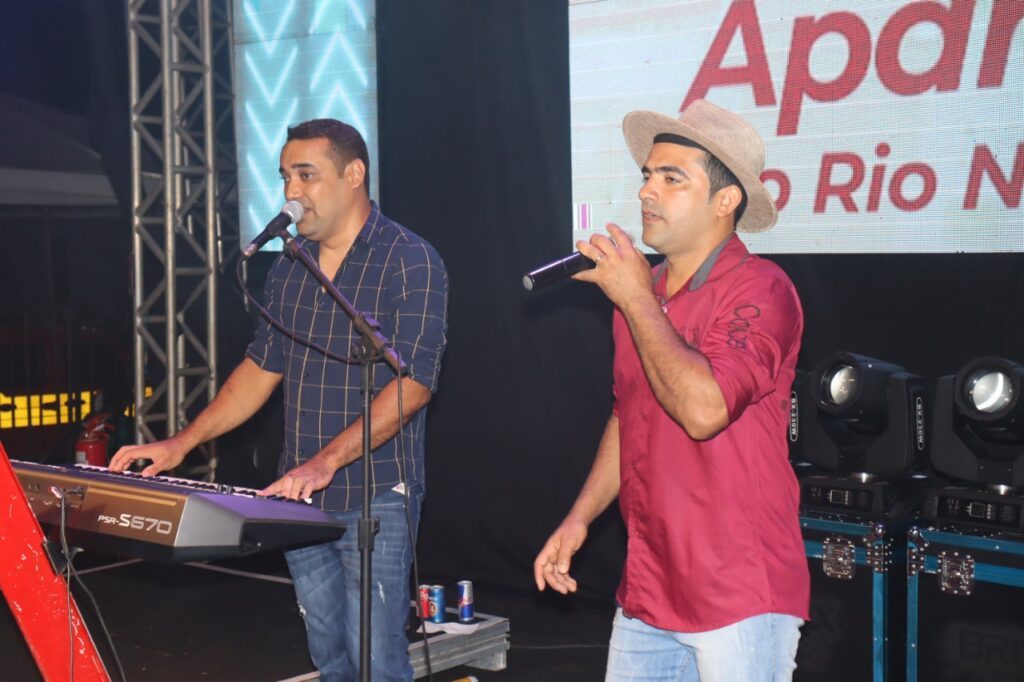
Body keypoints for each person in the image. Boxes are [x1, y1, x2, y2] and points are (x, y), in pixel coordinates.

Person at [110, 118, 449, 682]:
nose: (291, 191)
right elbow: (260, 370)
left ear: (354, 174)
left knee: (376, 661)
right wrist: (182, 443)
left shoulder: (408, 259)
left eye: (306, 175)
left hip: (377, 495)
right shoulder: (291, 266)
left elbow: (412, 385)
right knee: (329, 656)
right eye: (285, 176)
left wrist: (325, 462)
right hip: (297, 497)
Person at [533, 99, 809, 681]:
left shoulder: (761, 288)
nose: (646, 192)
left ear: (725, 201)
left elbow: (704, 411)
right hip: (650, 584)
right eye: (646, 176)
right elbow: (628, 415)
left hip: (737, 590)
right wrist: (579, 518)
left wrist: (635, 299)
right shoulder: (645, 293)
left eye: (671, 178)